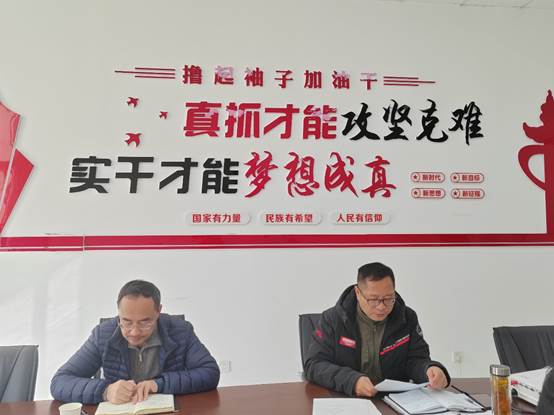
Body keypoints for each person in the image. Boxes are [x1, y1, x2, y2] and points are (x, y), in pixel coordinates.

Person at [50, 280, 219, 404]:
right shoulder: (102, 335)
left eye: (145, 322)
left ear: (158, 311)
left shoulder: (181, 331)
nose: (135, 332)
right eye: (127, 322)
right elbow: (60, 382)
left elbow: (210, 372)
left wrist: (159, 384)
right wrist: (106, 391)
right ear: (118, 312)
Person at [304, 262, 450, 397]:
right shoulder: (333, 319)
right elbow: (314, 365)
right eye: (373, 299)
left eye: (388, 298)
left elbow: (415, 359)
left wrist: (429, 369)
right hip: (347, 396)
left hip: (394, 399)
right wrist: (352, 381)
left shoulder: (406, 317)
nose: (381, 307)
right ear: (358, 293)